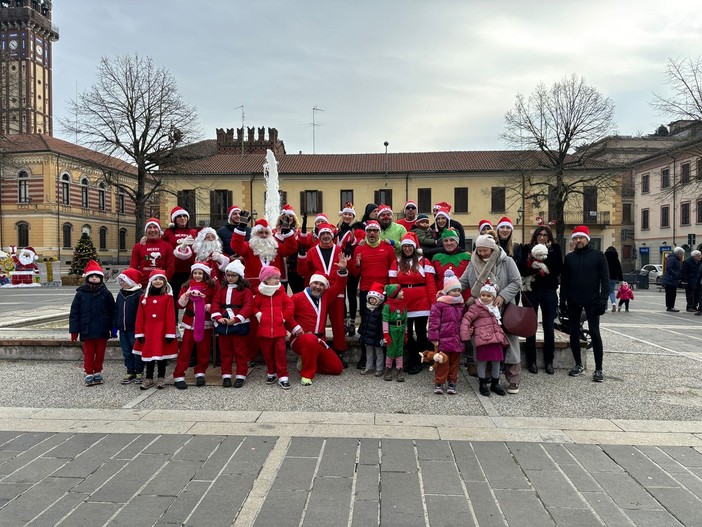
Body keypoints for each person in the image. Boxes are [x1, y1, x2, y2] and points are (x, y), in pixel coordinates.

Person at [459, 232, 522, 394]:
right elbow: (463, 282)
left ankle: (513, 378)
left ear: (492, 249)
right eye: (479, 250)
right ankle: (487, 377)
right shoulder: (473, 263)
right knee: (484, 343)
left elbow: (516, 282)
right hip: (481, 312)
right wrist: (448, 289)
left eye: (485, 250)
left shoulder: (506, 261)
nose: (481, 253)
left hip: (503, 310)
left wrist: (502, 296)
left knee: (511, 344)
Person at [560, 225, 609, 382]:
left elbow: (605, 280)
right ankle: (578, 364)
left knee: (594, 333)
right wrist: (562, 301)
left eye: (581, 238)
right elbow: (565, 281)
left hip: (593, 300)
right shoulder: (569, 258)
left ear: (587, 239)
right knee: (573, 332)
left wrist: (603, 300)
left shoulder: (598, 256)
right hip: (574, 299)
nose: (578, 240)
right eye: (575, 238)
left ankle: (599, 368)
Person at [289, 259, 348, 385]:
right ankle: (306, 374)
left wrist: (342, 270)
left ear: (325, 287)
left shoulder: (326, 296)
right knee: (309, 339)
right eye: (315, 283)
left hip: (319, 340)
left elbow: (339, 285)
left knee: (337, 368)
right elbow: (286, 316)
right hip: (300, 339)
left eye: (321, 285)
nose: (318, 287)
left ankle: (308, 363)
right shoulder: (297, 297)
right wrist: (296, 328)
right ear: (310, 283)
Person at [297, 222, 348, 365]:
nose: (325, 236)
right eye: (323, 234)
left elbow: (344, 269)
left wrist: (343, 270)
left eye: (328, 234)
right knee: (318, 322)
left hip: (336, 290)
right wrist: (301, 257)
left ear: (332, 235)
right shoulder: (312, 251)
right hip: (318, 292)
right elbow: (303, 272)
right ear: (319, 236)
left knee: (338, 322)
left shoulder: (339, 249)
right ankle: (320, 349)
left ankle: (339, 351)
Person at [350, 220, 397, 368]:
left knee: (383, 323)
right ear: (365, 232)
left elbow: (393, 269)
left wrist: (391, 291)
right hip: (366, 291)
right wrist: (356, 264)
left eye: (375, 231)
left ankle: (387, 358)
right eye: (369, 230)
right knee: (366, 323)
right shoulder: (359, 248)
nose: (372, 233)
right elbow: (355, 272)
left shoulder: (388, 248)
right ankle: (365, 356)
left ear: (379, 232)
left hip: (383, 291)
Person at [390, 232, 437, 375]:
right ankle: (414, 360)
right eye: (405, 246)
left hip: (422, 302)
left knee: (422, 333)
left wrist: (434, 303)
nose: (407, 249)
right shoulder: (396, 262)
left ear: (414, 247)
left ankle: (423, 358)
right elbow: (393, 285)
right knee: (408, 334)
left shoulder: (424, 261)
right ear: (402, 248)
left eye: (410, 246)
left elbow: (430, 283)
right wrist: (394, 302)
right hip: (405, 302)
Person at [519, 225, 562, 375]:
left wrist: (542, 267)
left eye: (545, 235)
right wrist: (536, 266)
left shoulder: (555, 249)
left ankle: (549, 361)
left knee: (549, 326)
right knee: (531, 326)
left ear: (549, 236)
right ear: (535, 236)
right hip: (532, 291)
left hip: (549, 291)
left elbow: (557, 269)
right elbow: (523, 270)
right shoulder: (526, 249)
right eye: (539, 234)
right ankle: (532, 361)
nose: (542, 237)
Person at [69, 260, 116, 387]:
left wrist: (114, 327)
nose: (94, 279)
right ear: (87, 277)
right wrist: (74, 330)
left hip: (102, 329)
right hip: (87, 328)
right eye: (92, 276)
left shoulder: (106, 293)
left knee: (100, 352)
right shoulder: (80, 294)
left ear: (101, 278)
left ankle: (98, 371)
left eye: (97, 277)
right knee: (89, 353)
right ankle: (89, 372)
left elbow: (113, 311)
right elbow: (74, 313)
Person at [252, 266, 300, 390]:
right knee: (267, 354)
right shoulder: (259, 293)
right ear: (267, 279)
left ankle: (283, 376)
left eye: (278, 278)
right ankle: (271, 372)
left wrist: (284, 317)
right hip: (264, 330)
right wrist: (259, 315)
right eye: (275, 278)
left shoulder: (281, 292)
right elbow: (254, 306)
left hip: (279, 331)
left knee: (280, 354)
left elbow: (289, 305)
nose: (278, 280)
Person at [459, 279, 508, 397]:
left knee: (496, 361)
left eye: (488, 296)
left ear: (493, 297)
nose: (485, 298)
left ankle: (495, 383)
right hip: (483, 338)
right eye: (483, 295)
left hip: (496, 339)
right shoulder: (477, 307)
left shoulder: (495, 307)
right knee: (482, 362)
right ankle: (482, 383)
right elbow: (466, 319)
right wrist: (465, 333)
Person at [172, 263, 217, 389]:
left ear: (205, 274)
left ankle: (200, 372)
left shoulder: (211, 287)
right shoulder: (186, 286)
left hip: (205, 323)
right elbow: (180, 305)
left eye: (200, 273)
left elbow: (216, 302)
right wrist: (186, 295)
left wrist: (208, 307)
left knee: (204, 350)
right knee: (185, 350)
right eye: (195, 273)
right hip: (190, 323)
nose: (197, 276)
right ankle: (179, 374)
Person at [132, 269, 179, 389]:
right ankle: (148, 378)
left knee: (161, 356)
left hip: (162, 331)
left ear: (165, 282)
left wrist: (170, 333)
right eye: (155, 279)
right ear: (150, 281)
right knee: (149, 356)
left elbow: (170, 316)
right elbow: (140, 316)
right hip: (149, 331)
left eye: (160, 279)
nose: (158, 281)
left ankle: (161, 378)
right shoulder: (144, 298)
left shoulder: (168, 298)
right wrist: (140, 333)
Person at [211, 259, 254, 388]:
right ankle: (226, 376)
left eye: (233, 275)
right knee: (225, 352)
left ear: (239, 276)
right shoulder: (222, 289)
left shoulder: (246, 291)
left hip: (239, 324)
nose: (230, 278)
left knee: (240, 352)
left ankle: (241, 376)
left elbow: (248, 306)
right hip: (223, 323)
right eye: (228, 275)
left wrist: (237, 318)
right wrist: (218, 317)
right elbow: (215, 304)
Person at [230, 214, 298, 288]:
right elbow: (236, 246)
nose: (264, 235)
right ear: (255, 234)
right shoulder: (248, 246)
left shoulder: (275, 246)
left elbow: (291, 248)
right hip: (254, 286)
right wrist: (241, 228)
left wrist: (287, 231)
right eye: (261, 232)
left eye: (266, 233)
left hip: (273, 286)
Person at [428, 271, 465, 395]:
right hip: (443, 339)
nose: (457, 293)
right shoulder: (440, 304)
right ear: (447, 291)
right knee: (442, 361)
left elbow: (464, 321)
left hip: (457, 339)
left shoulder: (461, 304)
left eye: (458, 291)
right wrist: (433, 336)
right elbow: (434, 321)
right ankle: (439, 382)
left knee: (454, 363)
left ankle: (452, 382)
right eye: (454, 290)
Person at [114, 267, 144, 385]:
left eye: (124, 280)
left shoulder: (138, 295)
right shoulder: (120, 294)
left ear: (131, 281)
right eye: (121, 281)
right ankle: (130, 370)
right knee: (126, 351)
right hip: (123, 329)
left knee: (136, 351)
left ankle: (139, 371)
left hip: (135, 329)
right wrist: (115, 326)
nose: (122, 283)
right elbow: (116, 311)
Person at [129, 218, 175, 287]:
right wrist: (135, 281)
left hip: (161, 285)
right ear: (146, 230)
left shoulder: (167, 246)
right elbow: (133, 267)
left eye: (155, 227)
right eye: (149, 227)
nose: (152, 230)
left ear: (159, 230)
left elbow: (171, 267)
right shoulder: (138, 246)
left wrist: (164, 281)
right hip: (142, 285)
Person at [163, 206, 198, 296]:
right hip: (174, 270)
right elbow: (159, 244)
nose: (183, 218)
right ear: (174, 219)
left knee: (192, 296)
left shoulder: (193, 232)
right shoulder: (168, 232)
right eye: (179, 216)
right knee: (174, 296)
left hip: (191, 270)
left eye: (184, 216)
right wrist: (145, 239)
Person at [336, 202, 359, 336]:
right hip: (340, 264)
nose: (347, 216)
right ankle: (344, 321)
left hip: (351, 265)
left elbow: (361, 240)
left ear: (353, 216)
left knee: (351, 295)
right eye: (345, 214)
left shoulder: (356, 228)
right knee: (341, 295)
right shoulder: (337, 229)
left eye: (350, 214)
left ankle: (351, 322)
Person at [358, 282, 386, 376]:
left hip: (377, 336)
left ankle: (379, 368)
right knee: (368, 352)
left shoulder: (381, 311)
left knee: (379, 352)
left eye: (374, 299)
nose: (372, 301)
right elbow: (364, 323)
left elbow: (383, 325)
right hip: (367, 335)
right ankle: (369, 367)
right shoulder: (366, 309)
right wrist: (361, 333)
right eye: (371, 298)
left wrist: (383, 337)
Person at [431, 228, 471, 292]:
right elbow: (432, 281)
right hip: (442, 298)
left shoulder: (467, 257)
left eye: (452, 240)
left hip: (463, 298)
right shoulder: (436, 258)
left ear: (457, 242)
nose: (449, 243)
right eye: (446, 241)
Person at [382, 284, 407, 382]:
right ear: (394, 294)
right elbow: (385, 321)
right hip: (392, 329)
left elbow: (405, 320)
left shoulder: (403, 305)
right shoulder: (387, 306)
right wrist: (386, 334)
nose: (403, 292)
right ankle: (388, 369)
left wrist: (406, 333)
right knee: (391, 349)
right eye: (400, 291)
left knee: (399, 349)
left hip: (401, 329)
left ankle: (399, 369)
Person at [662, 247, 685, 312]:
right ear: (678, 253)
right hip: (670, 279)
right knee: (670, 293)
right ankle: (670, 307)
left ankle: (671, 306)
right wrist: (675, 274)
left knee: (673, 293)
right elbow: (669, 267)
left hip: (672, 279)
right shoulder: (672, 258)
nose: (682, 255)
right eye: (681, 254)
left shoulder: (675, 258)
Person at [604, 246, 623, 312]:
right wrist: (621, 280)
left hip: (605, 277)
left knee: (605, 291)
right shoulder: (616, 259)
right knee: (611, 291)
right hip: (613, 278)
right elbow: (619, 270)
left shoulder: (604, 258)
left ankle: (605, 307)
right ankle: (614, 304)